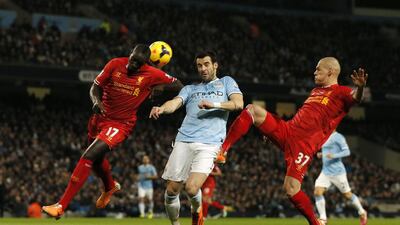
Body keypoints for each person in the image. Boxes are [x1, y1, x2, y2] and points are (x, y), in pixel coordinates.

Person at [216, 57, 368, 225]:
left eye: (318, 69)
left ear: (331, 71)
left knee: (291, 189)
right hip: (288, 130)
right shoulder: (315, 91)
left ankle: (314, 222)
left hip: (303, 146)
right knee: (252, 110)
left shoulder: (341, 92)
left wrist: (360, 87)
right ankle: (223, 149)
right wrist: (271, 132)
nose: (314, 72)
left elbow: (356, 98)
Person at [42, 44, 183, 219]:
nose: (132, 66)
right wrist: (96, 101)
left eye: (138, 64)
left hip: (120, 124)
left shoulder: (153, 74)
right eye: (132, 61)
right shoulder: (115, 64)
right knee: (96, 161)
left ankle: (61, 205)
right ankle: (109, 186)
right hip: (99, 119)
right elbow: (95, 87)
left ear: (146, 63)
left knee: (89, 155)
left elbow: (178, 85)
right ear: (130, 54)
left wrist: (159, 88)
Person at [149, 50, 243, 225]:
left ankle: (197, 212)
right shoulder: (190, 88)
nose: (203, 68)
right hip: (183, 139)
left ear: (215, 65)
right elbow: (175, 103)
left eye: (206, 64)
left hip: (210, 143)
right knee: (171, 190)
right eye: (199, 65)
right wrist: (162, 108)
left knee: (192, 188)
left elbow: (238, 103)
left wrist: (213, 104)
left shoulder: (226, 82)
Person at [314, 131, 367, 225]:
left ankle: (362, 212)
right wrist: (322, 155)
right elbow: (328, 152)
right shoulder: (324, 136)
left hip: (338, 173)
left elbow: (347, 152)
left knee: (348, 195)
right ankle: (323, 219)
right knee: (317, 192)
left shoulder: (338, 137)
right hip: (325, 172)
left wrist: (334, 156)